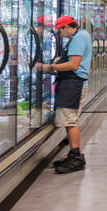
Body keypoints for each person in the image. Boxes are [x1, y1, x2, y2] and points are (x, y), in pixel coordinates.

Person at [35, 15, 92, 175]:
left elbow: (74, 64)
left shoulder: (78, 39)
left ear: (66, 27)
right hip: (73, 83)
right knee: (69, 120)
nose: (59, 34)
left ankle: (76, 157)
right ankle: (73, 154)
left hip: (73, 84)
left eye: (60, 31)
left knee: (70, 120)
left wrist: (48, 67)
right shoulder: (82, 35)